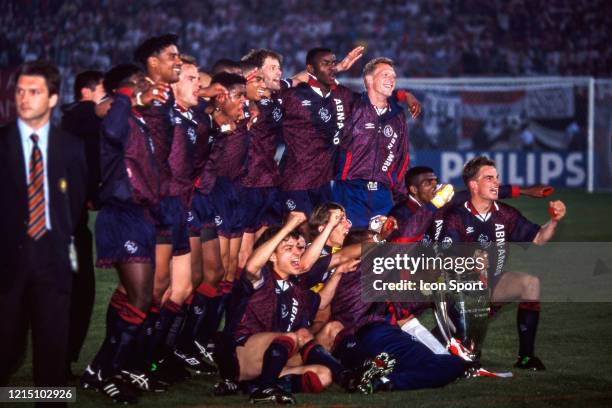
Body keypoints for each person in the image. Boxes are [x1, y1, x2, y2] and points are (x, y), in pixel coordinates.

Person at [0, 61, 86, 395]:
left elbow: (74, 204)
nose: (24, 99)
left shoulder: (71, 147)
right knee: (6, 350)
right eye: (20, 91)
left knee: (52, 360)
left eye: (33, 92)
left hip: (53, 260)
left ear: (52, 99)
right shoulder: (2, 144)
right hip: (7, 262)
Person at [439, 156, 566, 370]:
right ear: (473, 185)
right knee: (451, 353)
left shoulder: (506, 214)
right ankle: (451, 336)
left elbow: (539, 238)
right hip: (460, 291)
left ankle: (526, 358)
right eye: (489, 178)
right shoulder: (456, 216)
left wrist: (554, 220)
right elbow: (446, 257)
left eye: (497, 178)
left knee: (530, 283)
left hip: (493, 285)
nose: (496, 182)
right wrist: (470, 260)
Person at [60, 69, 105, 378]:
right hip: (66, 222)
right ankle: (58, 362)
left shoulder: (75, 119)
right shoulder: (81, 113)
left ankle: (60, 358)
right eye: (104, 93)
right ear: (87, 93)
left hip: (72, 219)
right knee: (76, 289)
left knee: (78, 289)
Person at [333, 57, 411, 229]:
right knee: (346, 246)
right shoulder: (352, 105)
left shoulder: (398, 116)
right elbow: (322, 82)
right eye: (385, 74)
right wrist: (337, 68)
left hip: (382, 196)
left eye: (393, 76)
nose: (391, 79)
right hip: (349, 191)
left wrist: (402, 196)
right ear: (369, 80)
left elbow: (402, 158)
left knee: (381, 251)